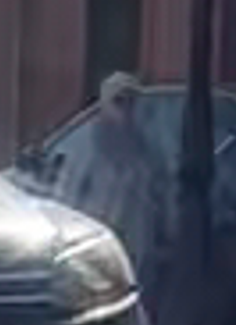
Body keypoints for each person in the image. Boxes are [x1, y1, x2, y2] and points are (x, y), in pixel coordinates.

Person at [43, 69, 169, 284]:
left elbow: (157, 201)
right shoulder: (85, 148)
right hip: (94, 253)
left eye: (132, 103)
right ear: (105, 105)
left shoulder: (147, 152)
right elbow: (69, 201)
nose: (126, 111)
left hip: (136, 260)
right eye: (119, 102)